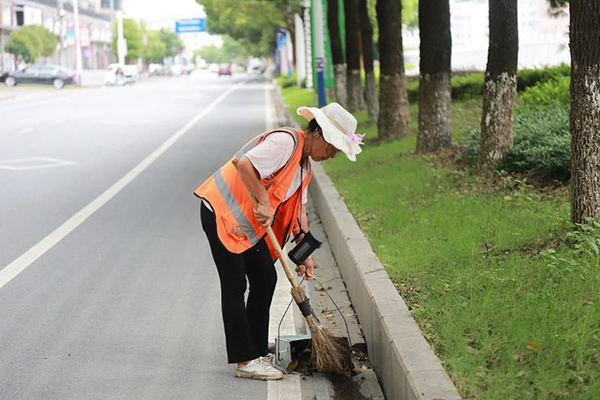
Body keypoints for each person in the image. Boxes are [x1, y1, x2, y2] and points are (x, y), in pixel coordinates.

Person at [194, 102, 364, 380]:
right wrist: (262, 201)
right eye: (333, 147)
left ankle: (257, 350)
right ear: (318, 134)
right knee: (235, 284)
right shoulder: (285, 144)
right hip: (223, 213)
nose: (332, 155)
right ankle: (245, 361)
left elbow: (298, 210)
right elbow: (245, 164)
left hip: (248, 224)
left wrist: (304, 252)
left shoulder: (304, 166)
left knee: (264, 278)